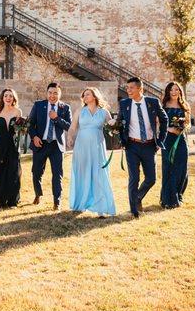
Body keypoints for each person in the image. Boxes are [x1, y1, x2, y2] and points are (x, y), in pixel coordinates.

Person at [117, 76, 168, 218]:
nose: (128, 90)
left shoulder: (153, 102)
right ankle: (134, 210)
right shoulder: (124, 103)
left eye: (131, 88)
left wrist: (160, 140)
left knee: (151, 178)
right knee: (134, 178)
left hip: (149, 146)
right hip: (132, 145)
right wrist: (122, 140)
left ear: (140, 88)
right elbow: (119, 124)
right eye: (127, 88)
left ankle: (138, 197)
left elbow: (164, 120)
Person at [68, 88, 116, 217]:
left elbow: (112, 127)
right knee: (82, 172)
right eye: (83, 95)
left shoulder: (104, 112)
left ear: (94, 96)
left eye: (87, 94)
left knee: (98, 173)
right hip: (81, 146)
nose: (84, 97)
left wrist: (115, 128)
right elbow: (73, 127)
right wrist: (70, 137)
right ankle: (81, 203)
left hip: (97, 146)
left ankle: (101, 207)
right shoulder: (80, 111)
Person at [28, 82, 72, 210]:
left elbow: (69, 126)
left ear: (59, 94)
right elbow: (30, 124)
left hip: (56, 146)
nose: (52, 96)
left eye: (55, 93)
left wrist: (57, 117)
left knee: (57, 174)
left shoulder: (65, 108)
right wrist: (34, 136)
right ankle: (38, 194)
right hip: (40, 144)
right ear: (46, 93)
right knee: (36, 172)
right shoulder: (38, 105)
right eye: (50, 93)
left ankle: (56, 201)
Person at [0, 88, 23, 208]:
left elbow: (20, 130)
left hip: (13, 146)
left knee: (13, 172)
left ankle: (12, 200)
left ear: (14, 98)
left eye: (10, 96)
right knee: (0, 172)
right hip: (0, 146)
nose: (8, 98)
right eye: (6, 96)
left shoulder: (18, 112)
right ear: (2, 98)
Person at [160, 81, 191, 209]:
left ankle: (178, 195)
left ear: (180, 92)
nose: (174, 92)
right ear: (168, 92)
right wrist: (169, 129)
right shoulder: (163, 106)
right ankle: (168, 199)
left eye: (176, 90)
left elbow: (189, 123)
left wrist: (183, 127)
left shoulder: (185, 106)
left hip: (181, 140)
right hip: (168, 140)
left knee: (181, 167)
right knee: (169, 167)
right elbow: (159, 123)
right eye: (171, 90)